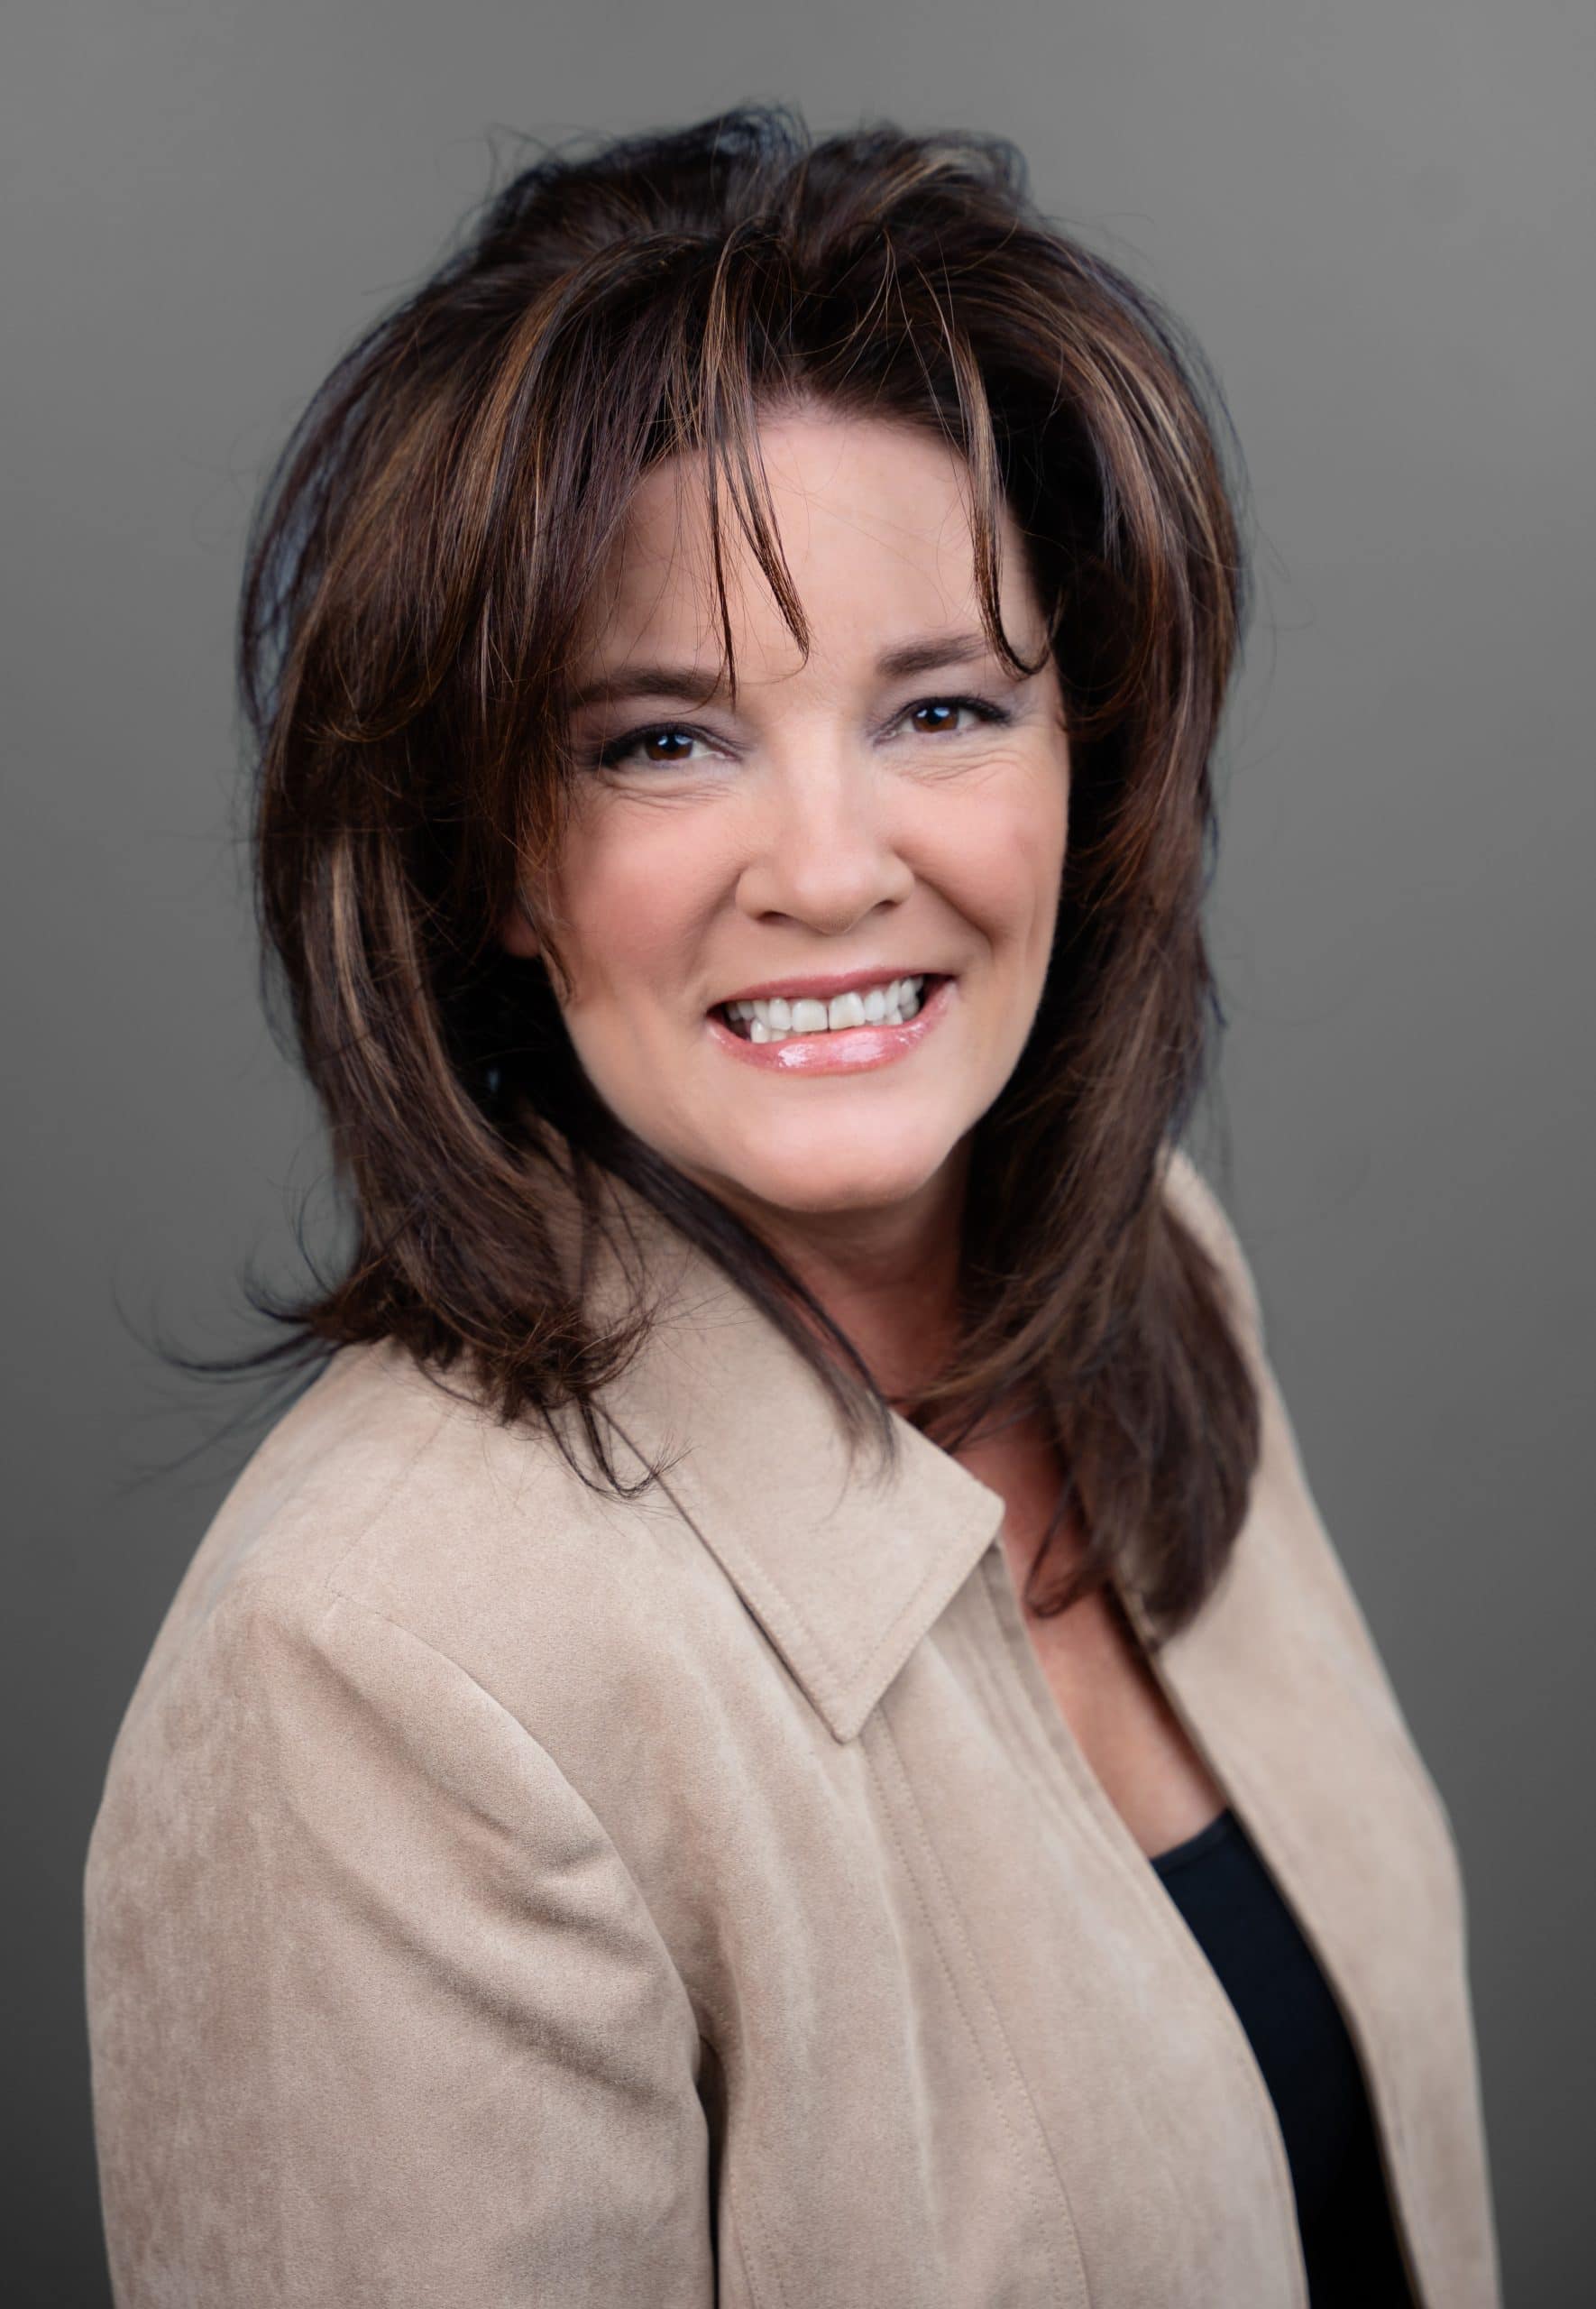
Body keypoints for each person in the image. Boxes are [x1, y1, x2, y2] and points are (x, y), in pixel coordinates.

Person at [82, 105, 1500, 2307]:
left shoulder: (1150, 1288)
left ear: (1082, 773)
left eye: (941, 704)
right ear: (491, 858)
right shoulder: (374, 1671)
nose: (836, 868)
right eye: (664, 739)